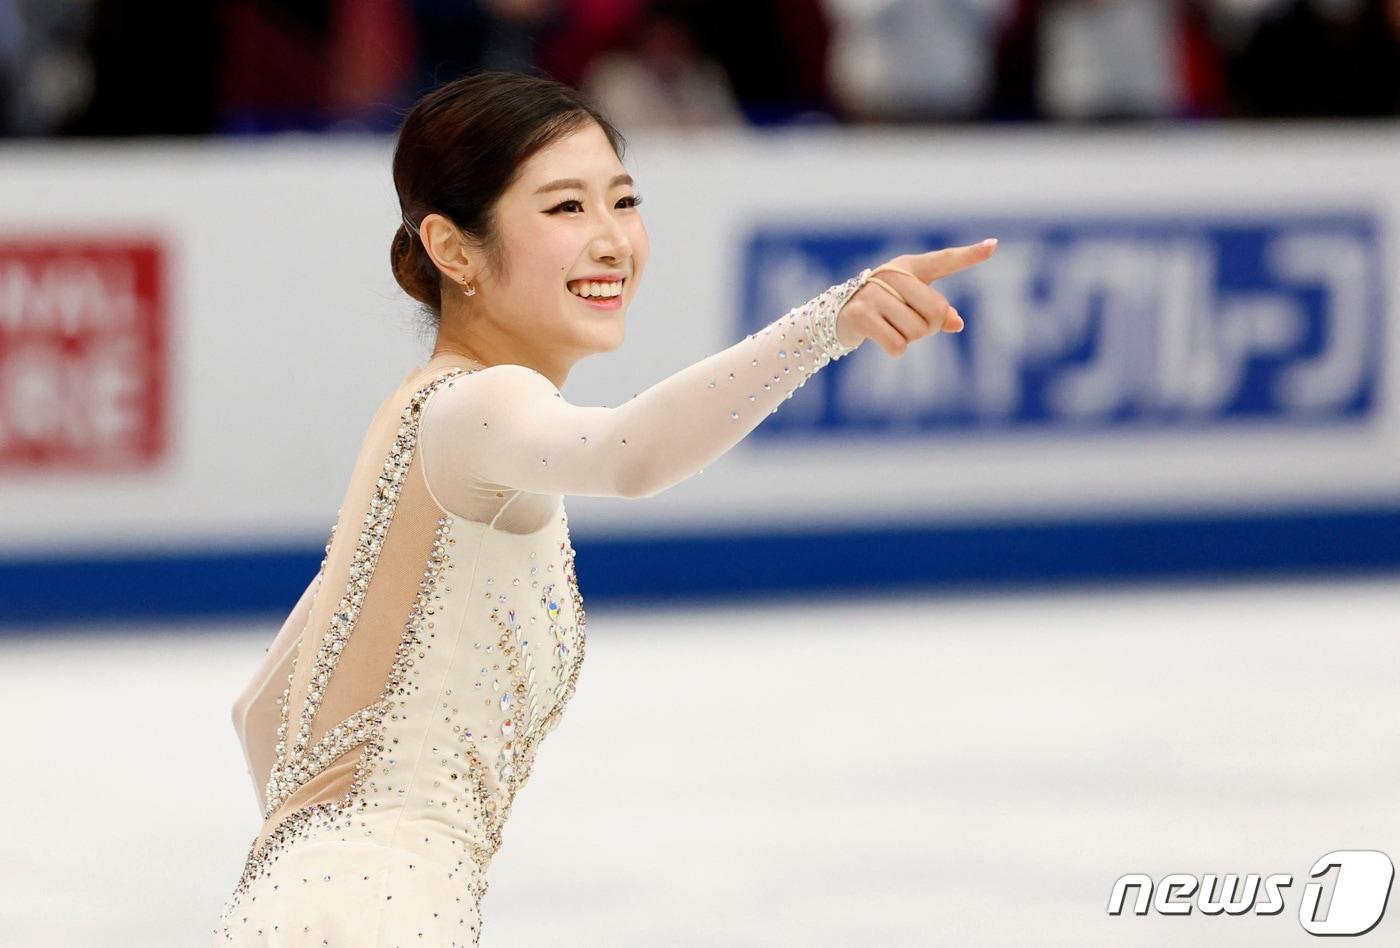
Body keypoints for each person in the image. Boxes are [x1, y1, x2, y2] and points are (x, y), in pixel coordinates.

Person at [210, 70, 996, 946]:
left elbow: (264, 709)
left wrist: (317, 867)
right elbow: (629, 455)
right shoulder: (477, 406)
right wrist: (830, 323)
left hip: (334, 900)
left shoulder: (433, 419)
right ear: (453, 249)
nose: (612, 239)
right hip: (379, 907)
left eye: (622, 201)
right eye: (565, 209)